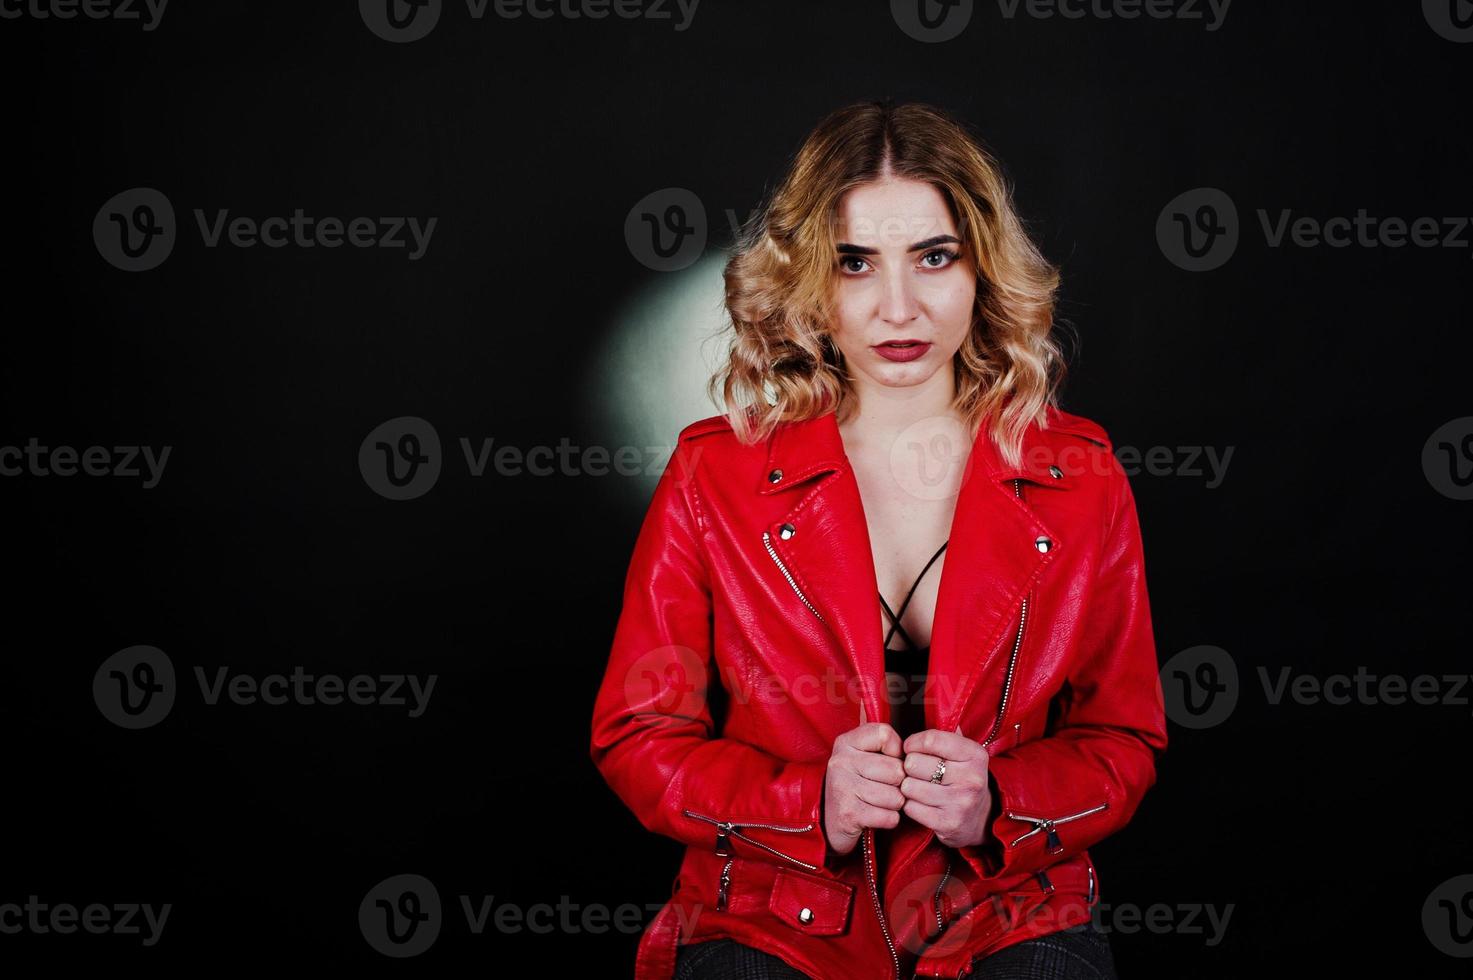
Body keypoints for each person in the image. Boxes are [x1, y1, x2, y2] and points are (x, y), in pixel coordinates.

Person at [590, 99, 1167, 980]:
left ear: (982, 270)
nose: (898, 306)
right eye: (855, 263)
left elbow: (1122, 736)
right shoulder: (714, 476)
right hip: (774, 912)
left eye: (933, 257)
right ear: (809, 282)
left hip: (1002, 904)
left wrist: (1003, 802)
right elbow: (639, 734)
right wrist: (804, 800)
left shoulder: (1077, 474)